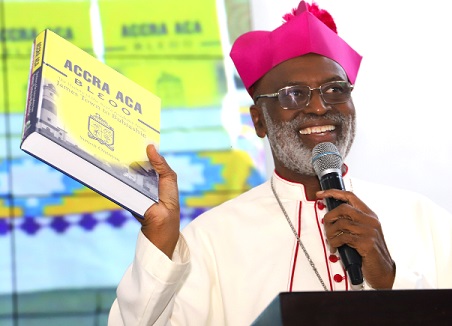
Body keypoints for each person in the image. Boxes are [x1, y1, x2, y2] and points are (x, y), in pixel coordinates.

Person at [108, 1, 452, 325]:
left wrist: (391, 279)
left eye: (335, 90)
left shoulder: (425, 219)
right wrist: (159, 246)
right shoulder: (211, 239)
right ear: (259, 120)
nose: (319, 107)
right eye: (294, 94)